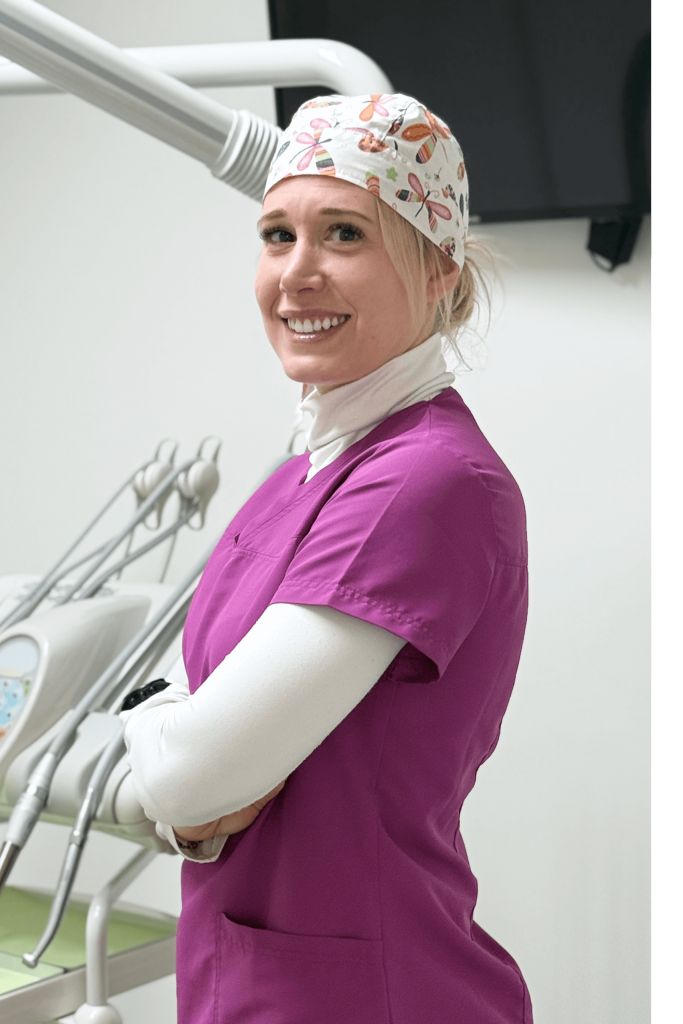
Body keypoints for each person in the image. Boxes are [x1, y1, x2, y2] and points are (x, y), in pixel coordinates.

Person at [121, 93, 533, 1024]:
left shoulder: (424, 481)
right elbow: (185, 742)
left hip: (374, 992)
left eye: (343, 233)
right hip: (254, 972)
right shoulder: (302, 474)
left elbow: (186, 779)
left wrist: (167, 745)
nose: (296, 273)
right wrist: (181, 746)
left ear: (439, 271)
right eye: (277, 236)